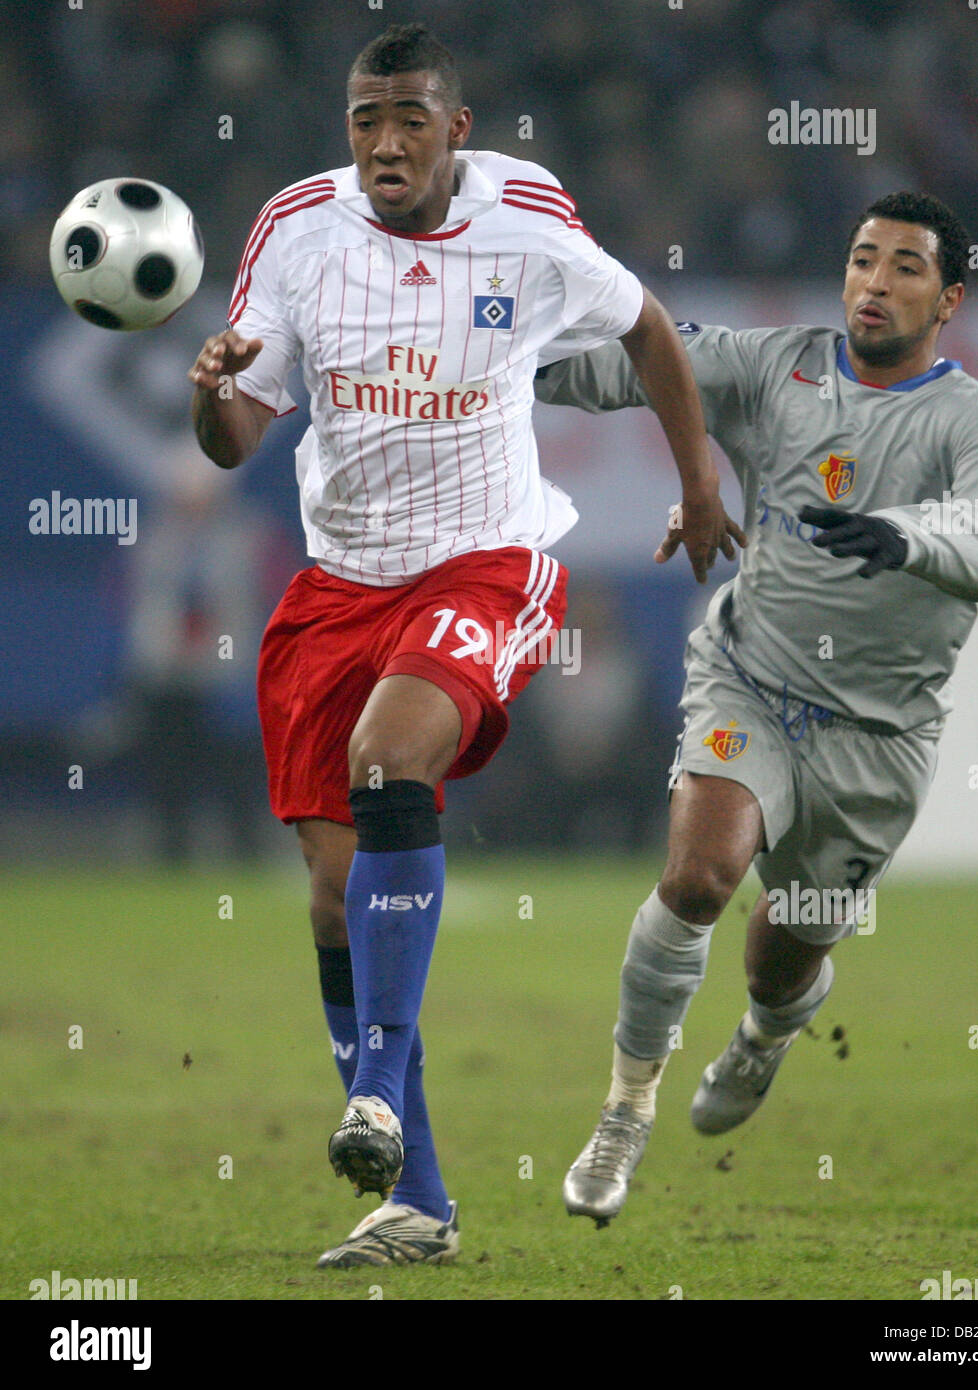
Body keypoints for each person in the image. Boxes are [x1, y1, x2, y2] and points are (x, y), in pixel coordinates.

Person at [188, 22, 742, 1267]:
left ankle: (371, 1091)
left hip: (485, 561)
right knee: (335, 903)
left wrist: (698, 489)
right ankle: (417, 1204)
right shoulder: (295, 231)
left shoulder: (528, 223)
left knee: (393, 759)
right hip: (339, 587)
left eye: (408, 121)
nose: (384, 143)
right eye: (363, 120)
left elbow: (649, 326)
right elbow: (234, 435)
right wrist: (209, 385)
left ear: (456, 129)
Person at [534, 191, 978, 1226]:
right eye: (861, 259)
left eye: (903, 268)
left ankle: (764, 1035)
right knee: (698, 875)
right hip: (751, 678)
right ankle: (624, 1110)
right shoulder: (778, 365)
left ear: (948, 300)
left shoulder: (969, 421)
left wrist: (904, 536)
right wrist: (501, 365)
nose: (874, 283)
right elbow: (636, 358)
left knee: (783, 949)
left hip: (878, 738)